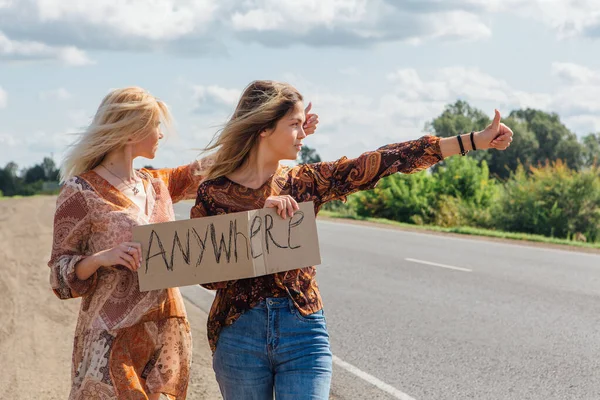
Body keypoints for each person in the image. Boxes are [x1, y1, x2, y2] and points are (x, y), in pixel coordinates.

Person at [190, 80, 513, 400]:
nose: (304, 135)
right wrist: (258, 217)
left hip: (303, 331)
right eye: (295, 125)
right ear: (264, 128)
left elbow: (385, 160)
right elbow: (208, 279)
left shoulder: (307, 181)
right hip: (239, 335)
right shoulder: (214, 192)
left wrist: (473, 140)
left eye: (304, 125)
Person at [47, 86, 320, 400]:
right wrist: (99, 258)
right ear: (131, 131)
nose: (161, 135)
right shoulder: (79, 191)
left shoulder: (156, 183)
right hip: (110, 336)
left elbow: (218, 165)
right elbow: (58, 274)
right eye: (156, 126)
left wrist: (282, 134)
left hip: (165, 334)